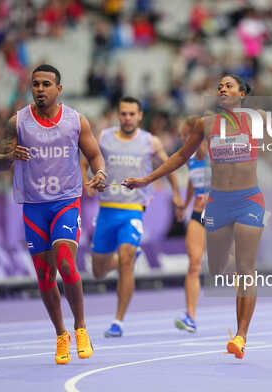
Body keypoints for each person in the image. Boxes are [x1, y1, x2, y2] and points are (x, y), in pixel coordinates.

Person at [124, 75, 272, 359]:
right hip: (218, 203)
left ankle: (241, 336)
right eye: (219, 86)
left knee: (245, 267)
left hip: (249, 199)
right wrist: (146, 179)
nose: (222, 88)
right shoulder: (206, 125)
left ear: (241, 93)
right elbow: (179, 157)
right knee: (218, 267)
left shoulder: (256, 118)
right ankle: (225, 321)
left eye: (228, 85)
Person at [0, 64, 107, 365]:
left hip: (65, 201)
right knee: (45, 276)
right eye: (35, 84)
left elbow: (94, 154)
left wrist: (101, 173)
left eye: (46, 84)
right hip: (33, 206)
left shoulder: (75, 121)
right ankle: (61, 334)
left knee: (66, 264)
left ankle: (81, 328)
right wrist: (8, 156)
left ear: (59, 89)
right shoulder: (17, 122)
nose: (40, 89)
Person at [83, 96, 183, 338]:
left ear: (140, 116)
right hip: (107, 211)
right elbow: (87, 158)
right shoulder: (105, 137)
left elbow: (168, 166)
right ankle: (123, 258)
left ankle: (118, 321)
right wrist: (86, 180)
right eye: (124, 113)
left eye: (132, 114)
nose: (128, 118)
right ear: (119, 115)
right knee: (98, 271)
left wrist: (177, 196)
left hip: (133, 210)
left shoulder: (150, 141)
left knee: (126, 258)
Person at [173, 116, 211, 333]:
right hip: (197, 214)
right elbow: (191, 182)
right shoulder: (191, 160)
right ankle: (190, 317)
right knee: (194, 264)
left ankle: (243, 319)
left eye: (184, 135)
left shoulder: (214, 153)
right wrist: (184, 205)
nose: (181, 139)